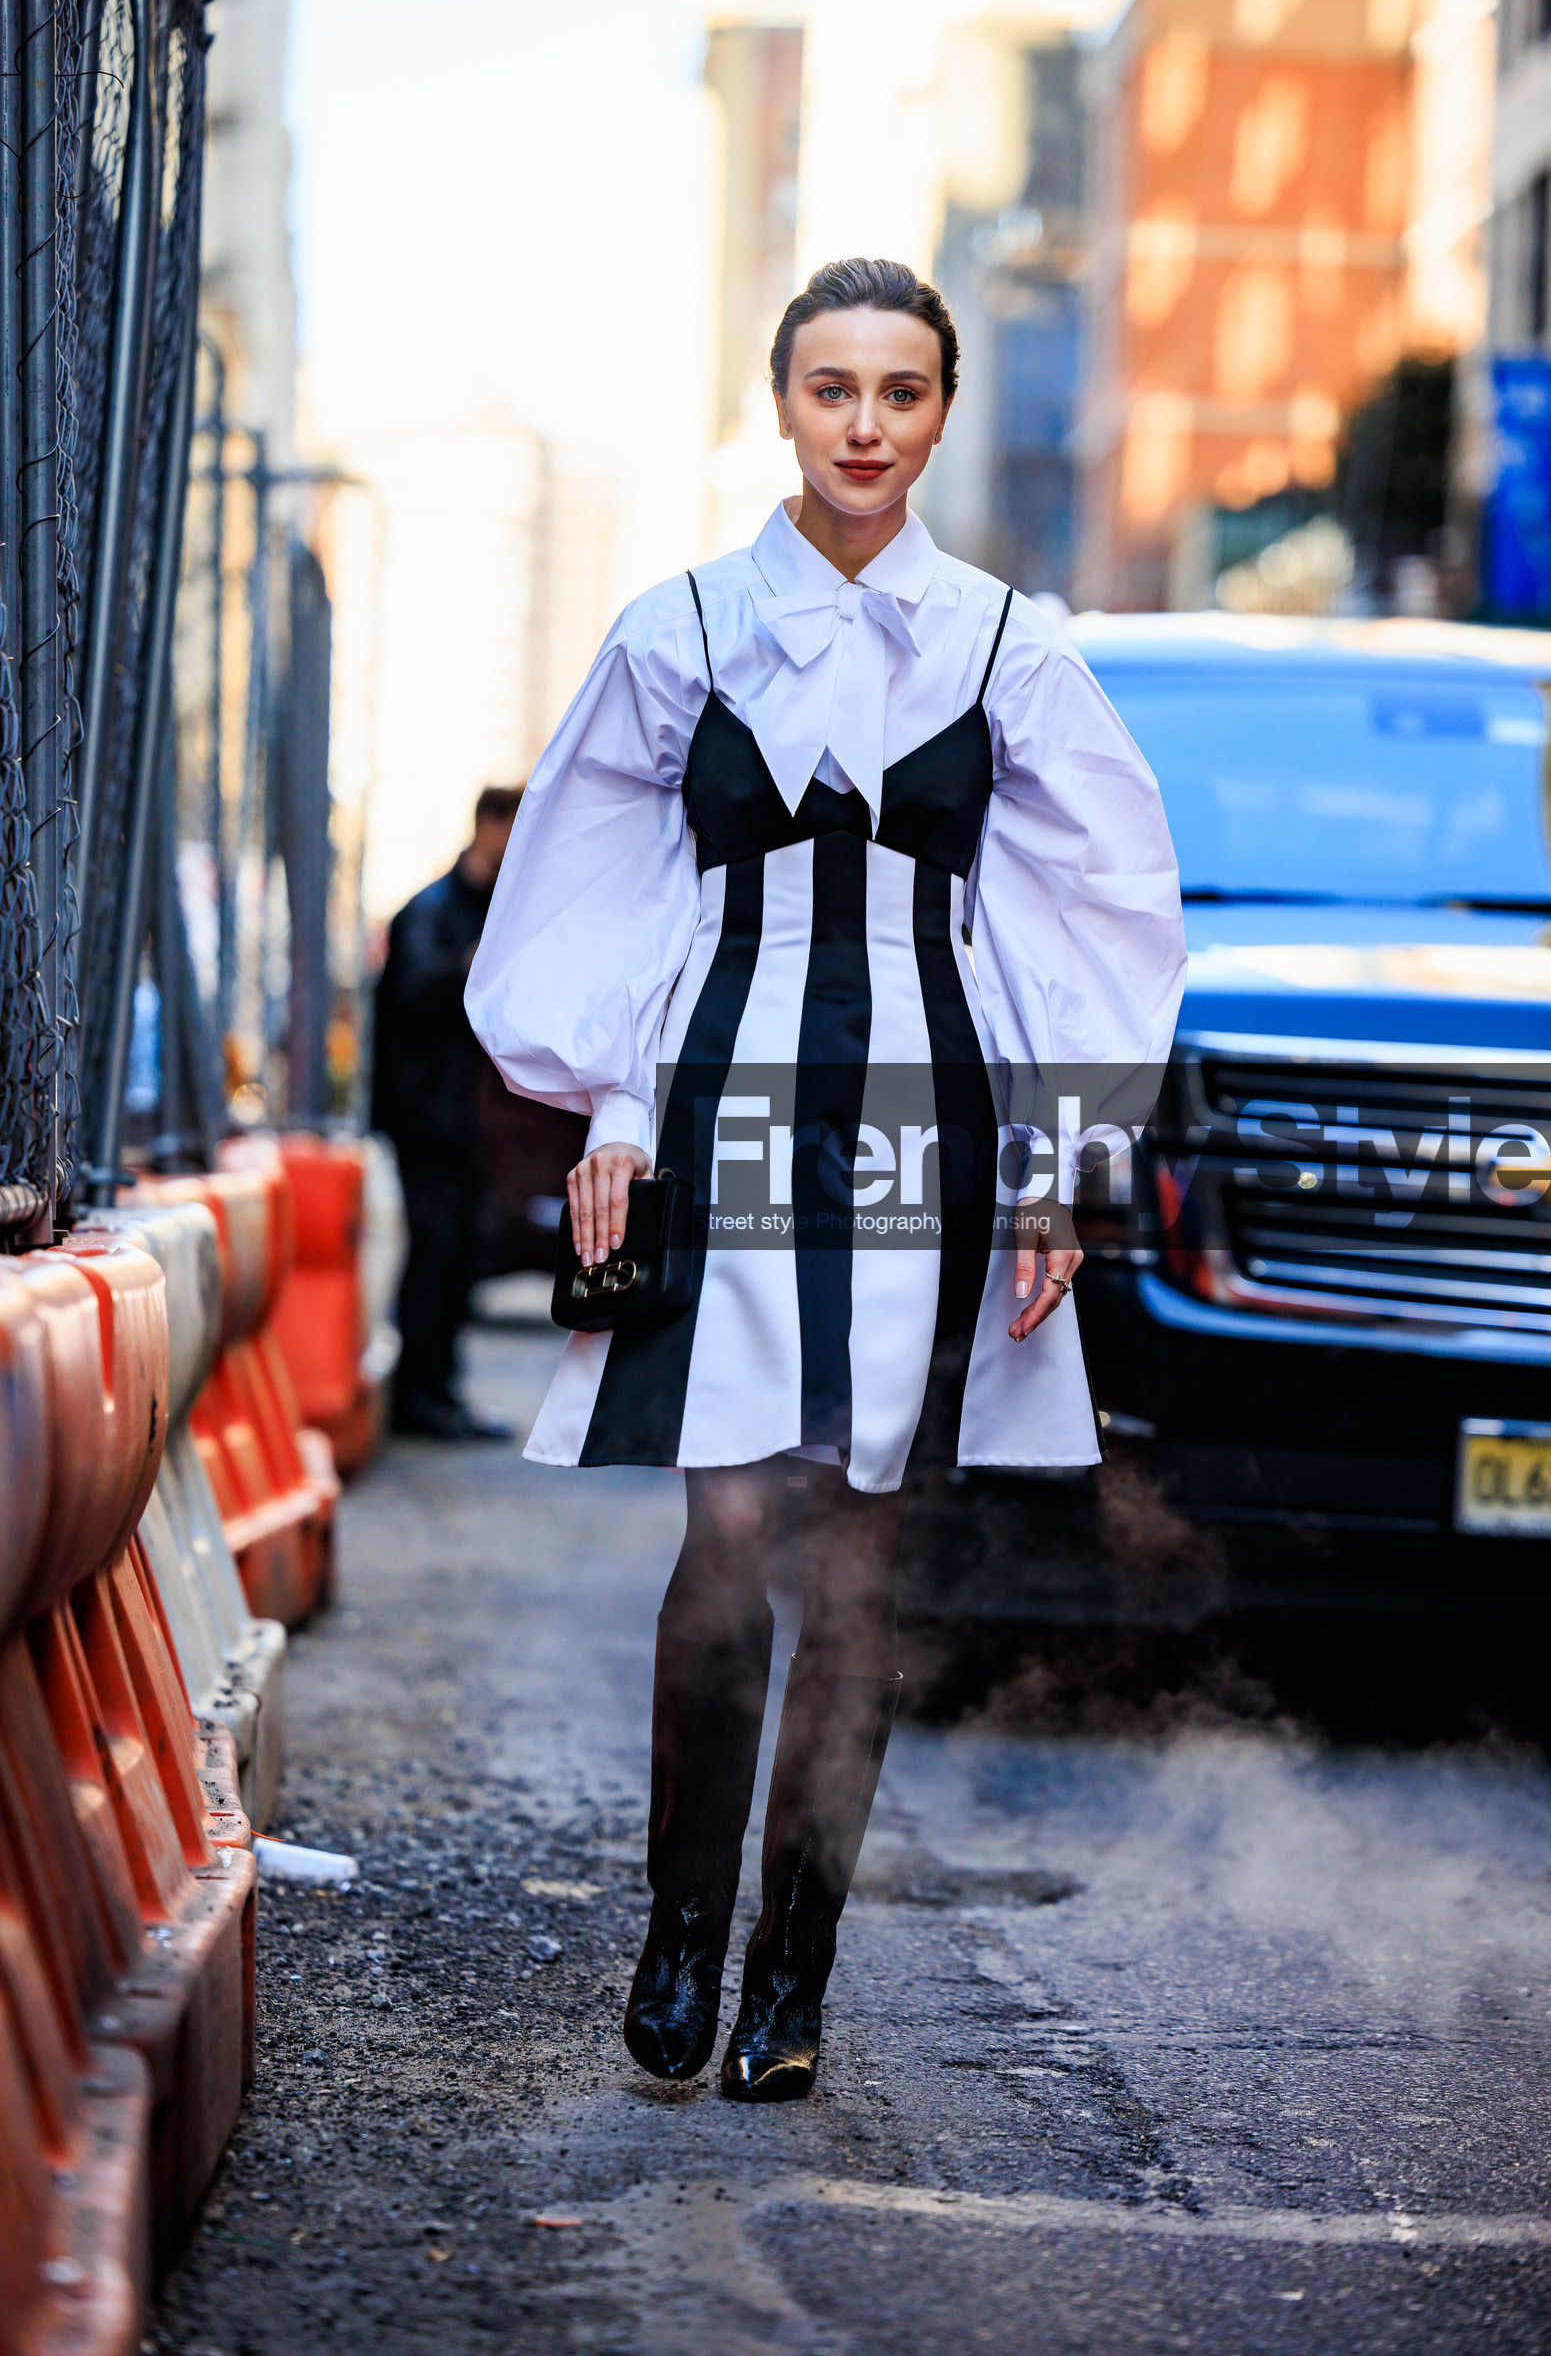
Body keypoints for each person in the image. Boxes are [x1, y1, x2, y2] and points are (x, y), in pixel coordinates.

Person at [467, 259, 1185, 2100]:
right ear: (779, 401)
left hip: (918, 1138)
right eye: (832, 388)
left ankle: (799, 1966)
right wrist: (615, 1109)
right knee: (725, 1538)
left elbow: (1089, 907)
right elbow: (591, 899)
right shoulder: (679, 627)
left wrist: (1057, 1165)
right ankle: (682, 1930)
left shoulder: (1013, 640)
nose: (866, 424)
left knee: (853, 1560)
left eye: (902, 392)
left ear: (941, 412)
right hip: (719, 1120)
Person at [372, 785, 523, 1440]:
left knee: (458, 1251)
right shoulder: (432, 910)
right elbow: (416, 995)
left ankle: (438, 1390)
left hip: (464, 1116)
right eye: (516, 824)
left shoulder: (484, 906)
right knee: (435, 1252)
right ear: (489, 824)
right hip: (425, 1116)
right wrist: (473, 964)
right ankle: (421, 1396)